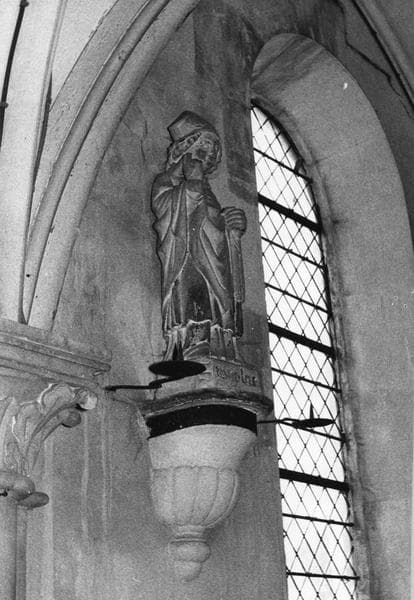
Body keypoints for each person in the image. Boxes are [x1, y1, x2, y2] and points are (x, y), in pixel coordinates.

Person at [152, 111, 246, 359]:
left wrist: (232, 229)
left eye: (213, 150)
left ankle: (220, 346)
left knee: (215, 303)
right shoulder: (166, 182)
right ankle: (194, 344)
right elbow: (166, 213)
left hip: (213, 264)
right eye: (203, 146)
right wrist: (192, 182)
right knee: (195, 295)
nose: (209, 153)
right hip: (187, 259)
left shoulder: (207, 189)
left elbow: (212, 227)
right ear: (184, 148)